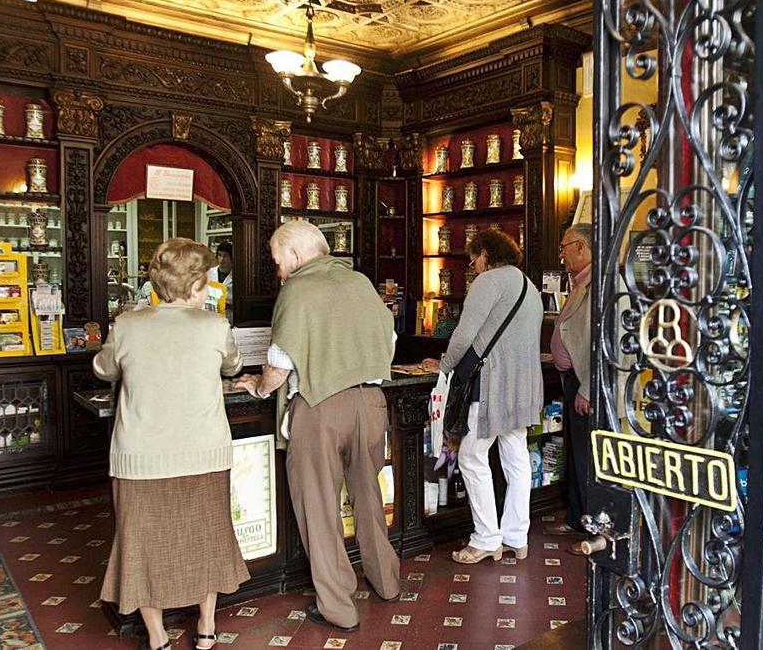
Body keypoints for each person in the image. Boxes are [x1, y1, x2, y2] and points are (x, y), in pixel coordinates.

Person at [236, 221, 399, 633]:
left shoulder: (298, 289)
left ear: (294, 254)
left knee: (319, 507)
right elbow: (391, 338)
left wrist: (257, 384)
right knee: (368, 494)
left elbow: (279, 364)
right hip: (372, 401)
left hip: (321, 405)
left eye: (277, 262)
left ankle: (339, 606)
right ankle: (387, 581)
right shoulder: (361, 282)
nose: (278, 272)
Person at [94, 238, 249, 650]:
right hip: (204, 453)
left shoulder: (127, 323)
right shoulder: (215, 326)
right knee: (208, 537)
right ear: (200, 286)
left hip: (140, 457)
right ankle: (206, 627)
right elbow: (232, 365)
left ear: (157, 284)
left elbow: (104, 369)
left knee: (142, 543)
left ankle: (157, 635)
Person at [424, 229, 544, 565]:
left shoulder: (488, 282)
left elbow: (464, 334)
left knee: (472, 457)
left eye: (474, 258)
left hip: (492, 385)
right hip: (524, 386)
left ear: (487, 255)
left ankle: (486, 538)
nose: (473, 266)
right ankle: (516, 537)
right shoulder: (528, 286)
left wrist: (445, 366)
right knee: (516, 458)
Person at [544, 224, 594, 555]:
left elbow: (601, 343)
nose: (561, 254)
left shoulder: (598, 283)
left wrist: (588, 389)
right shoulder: (578, 283)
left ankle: (594, 529)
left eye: (565, 246)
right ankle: (576, 518)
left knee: (587, 458)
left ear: (582, 247)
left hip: (585, 383)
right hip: (571, 379)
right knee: (574, 456)